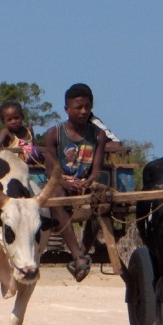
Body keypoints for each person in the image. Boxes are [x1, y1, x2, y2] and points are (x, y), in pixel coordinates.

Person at [44, 83, 107, 282]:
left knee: (103, 201)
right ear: (66, 109)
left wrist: (88, 183)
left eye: (87, 107)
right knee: (57, 197)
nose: (83, 111)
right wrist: (64, 183)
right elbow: (50, 171)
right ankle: (78, 255)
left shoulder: (98, 135)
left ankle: (81, 253)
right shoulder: (54, 134)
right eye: (78, 107)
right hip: (62, 185)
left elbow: (96, 170)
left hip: (86, 185)